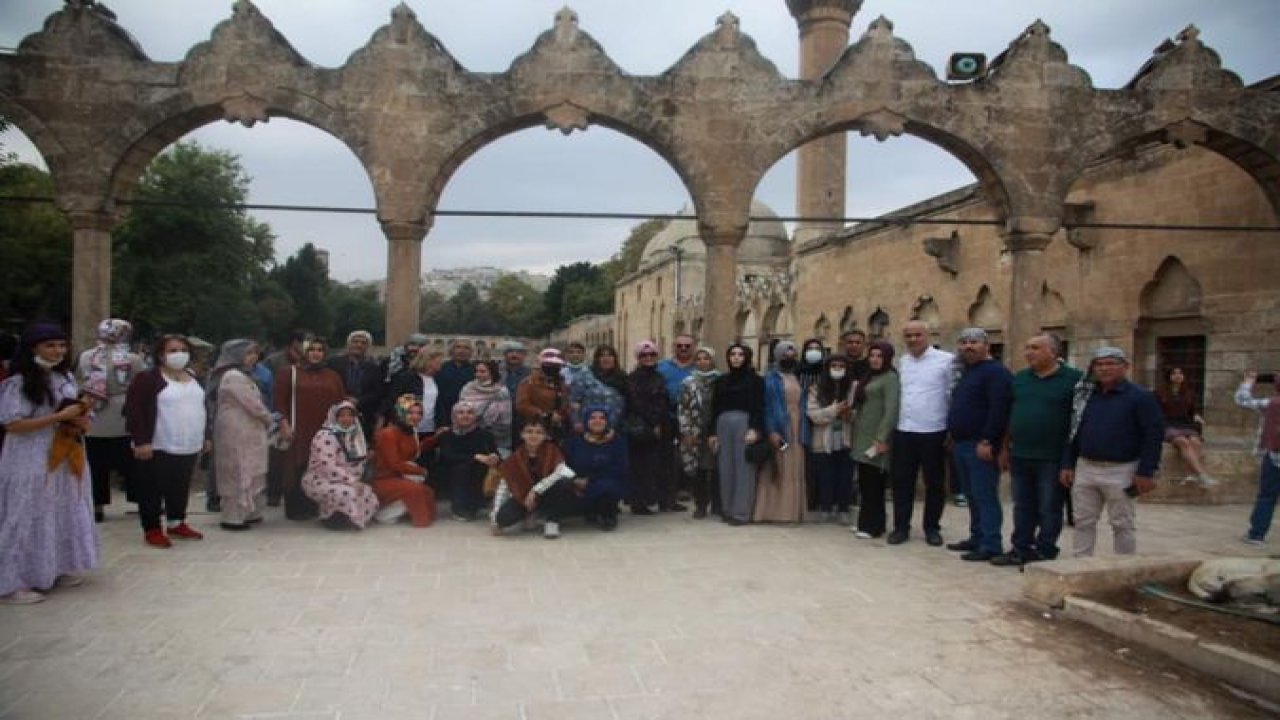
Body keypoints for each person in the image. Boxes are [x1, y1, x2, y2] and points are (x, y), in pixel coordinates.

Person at [0, 323, 98, 605]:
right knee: (25, 513)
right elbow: (13, 423)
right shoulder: (18, 383)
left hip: (65, 451)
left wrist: (79, 416)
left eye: (61, 345)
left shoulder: (64, 376)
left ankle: (51, 567)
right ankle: (11, 581)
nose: (57, 351)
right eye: (50, 345)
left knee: (58, 509)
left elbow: (71, 408)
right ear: (34, 348)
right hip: (30, 455)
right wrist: (58, 417)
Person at [1061, 347, 1164, 557]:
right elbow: (1072, 431)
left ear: (1125, 367)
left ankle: (1123, 567)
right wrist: (1067, 463)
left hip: (1122, 470)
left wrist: (1146, 471)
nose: (1104, 369)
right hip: (1086, 467)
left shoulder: (1141, 397)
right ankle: (1081, 565)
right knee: (1083, 521)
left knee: (1122, 523)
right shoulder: (1084, 396)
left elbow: (1153, 436)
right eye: (1099, 364)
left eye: (1110, 363)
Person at [992, 334, 1081, 566]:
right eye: (1027, 348)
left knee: (1049, 507)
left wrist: (1069, 461)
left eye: (1035, 348)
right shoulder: (1020, 379)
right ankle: (1020, 548)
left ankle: (1045, 550)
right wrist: (1004, 449)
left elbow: (1078, 422)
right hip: (1020, 454)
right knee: (1022, 506)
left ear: (1053, 352)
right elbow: (1011, 416)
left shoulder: (1073, 380)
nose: (1028, 353)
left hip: (1052, 457)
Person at [124, 334, 207, 548]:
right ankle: (152, 528)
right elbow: (135, 411)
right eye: (172, 350)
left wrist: (205, 436)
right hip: (159, 443)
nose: (178, 354)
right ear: (160, 354)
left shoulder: (191, 376)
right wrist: (141, 441)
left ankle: (176, 522)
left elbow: (201, 408)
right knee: (152, 487)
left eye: (183, 350)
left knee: (179, 485)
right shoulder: (148, 379)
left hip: (188, 442)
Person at [943, 328, 1013, 562]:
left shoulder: (996, 373)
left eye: (974, 342)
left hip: (980, 445)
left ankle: (991, 544)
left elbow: (999, 410)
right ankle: (977, 537)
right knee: (972, 495)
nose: (968, 347)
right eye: (963, 342)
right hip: (962, 443)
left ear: (987, 346)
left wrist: (988, 440)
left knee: (985, 496)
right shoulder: (968, 372)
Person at [888, 320, 954, 547]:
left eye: (917, 335)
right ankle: (900, 527)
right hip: (904, 430)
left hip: (933, 430)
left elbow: (951, 395)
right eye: (908, 336)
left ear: (927, 335)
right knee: (902, 481)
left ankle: (932, 527)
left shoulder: (945, 361)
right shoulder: (902, 362)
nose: (913, 339)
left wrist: (950, 430)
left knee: (934, 483)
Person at [77, 318, 145, 522]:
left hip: (94, 413)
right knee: (131, 465)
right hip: (122, 415)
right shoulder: (132, 359)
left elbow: (80, 382)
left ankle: (96, 506)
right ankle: (141, 501)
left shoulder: (86, 357)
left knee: (95, 464)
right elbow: (139, 385)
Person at [274, 338, 347, 520]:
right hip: (298, 428)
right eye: (312, 349)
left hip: (324, 430)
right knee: (297, 464)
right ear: (304, 352)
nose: (316, 353)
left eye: (320, 350)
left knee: (321, 465)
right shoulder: (288, 373)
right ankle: (296, 508)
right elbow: (278, 401)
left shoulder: (333, 375)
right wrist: (283, 424)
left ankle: (317, 506)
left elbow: (340, 402)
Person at [209, 339, 273, 531]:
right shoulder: (233, 376)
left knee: (252, 469)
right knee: (237, 471)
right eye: (248, 353)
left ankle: (250, 511)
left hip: (249, 429)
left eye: (255, 353)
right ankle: (233, 517)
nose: (253, 357)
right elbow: (252, 404)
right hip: (236, 429)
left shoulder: (246, 375)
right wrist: (270, 419)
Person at [492, 416, 584, 538]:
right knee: (503, 518)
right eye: (529, 431)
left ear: (545, 436)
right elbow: (504, 487)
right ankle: (532, 513)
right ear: (522, 434)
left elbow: (562, 472)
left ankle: (552, 520)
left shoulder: (553, 451)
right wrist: (495, 516)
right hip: (525, 497)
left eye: (539, 432)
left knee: (563, 483)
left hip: (550, 494)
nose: (533, 435)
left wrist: (535, 491)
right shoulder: (513, 459)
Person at [301, 400, 380, 530]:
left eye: (350, 415)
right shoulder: (325, 435)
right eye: (342, 415)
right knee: (346, 493)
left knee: (366, 493)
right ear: (335, 417)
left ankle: (350, 519)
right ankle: (332, 520)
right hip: (321, 479)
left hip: (347, 480)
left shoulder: (353, 435)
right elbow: (327, 465)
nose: (346, 419)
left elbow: (357, 462)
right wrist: (351, 481)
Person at [709, 344, 765, 526]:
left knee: (744, 469)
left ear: (747, 357)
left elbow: (759, 407)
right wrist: (712, 433)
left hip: (744, 423)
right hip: (723, 425)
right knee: (725, 468)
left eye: (741, 354)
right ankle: (727, 509)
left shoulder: (756, 381)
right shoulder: (721, 381)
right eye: (732, 354)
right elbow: (714, 407)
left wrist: (755, 429)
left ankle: (741, 512)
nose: (736, 358)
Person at [850, 341, 900, 539]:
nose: (875, 359)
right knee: (865, 481)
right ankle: (869, 522)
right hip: (862, 436)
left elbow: (891, 410)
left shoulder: (890, 378)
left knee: (874, 483)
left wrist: (882, 438)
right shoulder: (870, 377)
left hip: (876, 438)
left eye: (879, 356)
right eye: (872, 355)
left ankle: (871, 525)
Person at [754, 341, 807, 524]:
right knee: (777, 467)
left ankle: (791, 512)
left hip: (796, 426)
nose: (789, 358)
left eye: (792, 355)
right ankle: (772, 512)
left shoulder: (797, 377)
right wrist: (771, 431)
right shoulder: (770, 378)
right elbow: (767, 407)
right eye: (785, 355)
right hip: (780, 425)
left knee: (793, 467)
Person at [626, 340, 679, 514]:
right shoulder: (634, 378)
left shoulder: (658, 376)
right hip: (644, 427)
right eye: (644, 355)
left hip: (662, 425)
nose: (648, 358)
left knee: (664, 464)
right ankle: (639, 503)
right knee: (641, 465)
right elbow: (637, 403)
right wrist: (653, 423)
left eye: (652, 355)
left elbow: (663, 401)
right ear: (638, 358)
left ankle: (664, 500)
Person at [371, 395, 438, 527]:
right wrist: (420, 471)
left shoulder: (411, 431)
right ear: (400, 413)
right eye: (410, 412)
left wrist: (437, 437)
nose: (416, 416)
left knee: (427, 492)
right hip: (384, 478)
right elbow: (394, 464)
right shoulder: (388, 434)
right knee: (416, 491)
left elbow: (415, 450)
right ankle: (381, 514)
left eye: (419, 413)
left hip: (400, 476)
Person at [564, 407, 630, 532]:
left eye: (602, 418)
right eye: (593, 418)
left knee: (607, 486)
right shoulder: (575, 441)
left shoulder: (617, 441)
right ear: (586, 421)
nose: (597, 421)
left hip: (607, 482)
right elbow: (566, 464)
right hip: (579, 483)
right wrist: (574, 479)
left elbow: (621, 467)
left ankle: (608, 515)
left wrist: (590, 479)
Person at [806, 354, 854, 524]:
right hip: (823, 438)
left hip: (846, 437)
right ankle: (825, 507)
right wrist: (834, 410)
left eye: (841, 365)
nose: (838, 368)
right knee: (826, 475)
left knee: (845, 476)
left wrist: (850, 414)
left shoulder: (853, 387)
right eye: (834, 365)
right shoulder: (816, 388)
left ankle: (843, 509)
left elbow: (860, 412)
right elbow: (813, 415)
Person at [1233, 371, 1279, 546]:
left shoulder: (1270, 404)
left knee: (1267, 496)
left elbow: (1242, 399)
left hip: (1274, 456)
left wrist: (1248, 382)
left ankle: (1256, 534)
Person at [434, 401, 500, 521]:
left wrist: (493, 457)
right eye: (461, 413)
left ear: (475, 416)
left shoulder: (485, 435)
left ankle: (477, 504)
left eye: (470, 413)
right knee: (461, 468)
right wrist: (475, 457)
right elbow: (447, 456)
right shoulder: (447, 435)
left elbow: (495, 454)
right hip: (453, 472)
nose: (465, 416)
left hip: (479, 472)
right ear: (454, 416)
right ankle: (460, 507)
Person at [678, 346, 720, 519]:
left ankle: (718, 504)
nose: (703, 362)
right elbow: (683, 408)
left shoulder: (720, 380)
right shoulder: (688, 382)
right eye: (699, 359)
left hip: (716, 430)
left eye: (706, 358)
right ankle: (700, 504)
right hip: (696, 430)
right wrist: (686, 431)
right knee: (699, 470)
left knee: (717, 468)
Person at [1157, 367, 1214, 487]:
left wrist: (1197, 416)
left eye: (1180, 373)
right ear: (1169, 376)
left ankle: (1191, 475)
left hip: (1185, 424)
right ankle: (1202, 475)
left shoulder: (1189, 393)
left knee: (1196, 442)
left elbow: (1193, 411)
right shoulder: (1160, 392)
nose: (1178, 376)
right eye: (1174, 373)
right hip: (1168, 425)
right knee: (1182, 441)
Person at [327, 330, 384, 440]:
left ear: (367, 347)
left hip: (362, 415)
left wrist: (359, 401)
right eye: (355, 341)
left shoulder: (374, 368)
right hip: (335, 413)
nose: (359, 345)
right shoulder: (333, 363)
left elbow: (378, 393)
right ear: (349, 344)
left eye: (363, 343)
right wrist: (343, 398)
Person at [569, 344, 628, 432]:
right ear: (597, 359)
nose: (606, 358)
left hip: (617, 429)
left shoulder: (622, 377)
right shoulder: (585, 375)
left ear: (615, 358)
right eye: (602, 356)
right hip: (589, 429)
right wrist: (577, 422)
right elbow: (575, 402)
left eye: (610, 355)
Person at [515, 348, 570, 442]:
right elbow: (522, 405)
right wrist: (544, 414)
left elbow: (566, 403)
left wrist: (561, 415)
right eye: (548, 364)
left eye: (556, 365)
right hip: (534, 428)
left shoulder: (562, 382)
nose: (553, 367)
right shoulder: (529, 382)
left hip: (556, 428)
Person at [459, 359, 513, 453]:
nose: (478, 374)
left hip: (495, 437)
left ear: (491, 373)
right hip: (468, 434)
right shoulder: (468, 388)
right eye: (477, 371)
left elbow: (504, 417)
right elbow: (460, 410)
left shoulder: (501, 391)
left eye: (482, 371)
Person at [435, 339, 476, 428]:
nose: (462, 351)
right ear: (452, 351)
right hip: (443, 415)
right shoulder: (440, 368)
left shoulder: (476, 371)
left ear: (471, 352)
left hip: (467, 416)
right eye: (458, 347)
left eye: (466, 348)